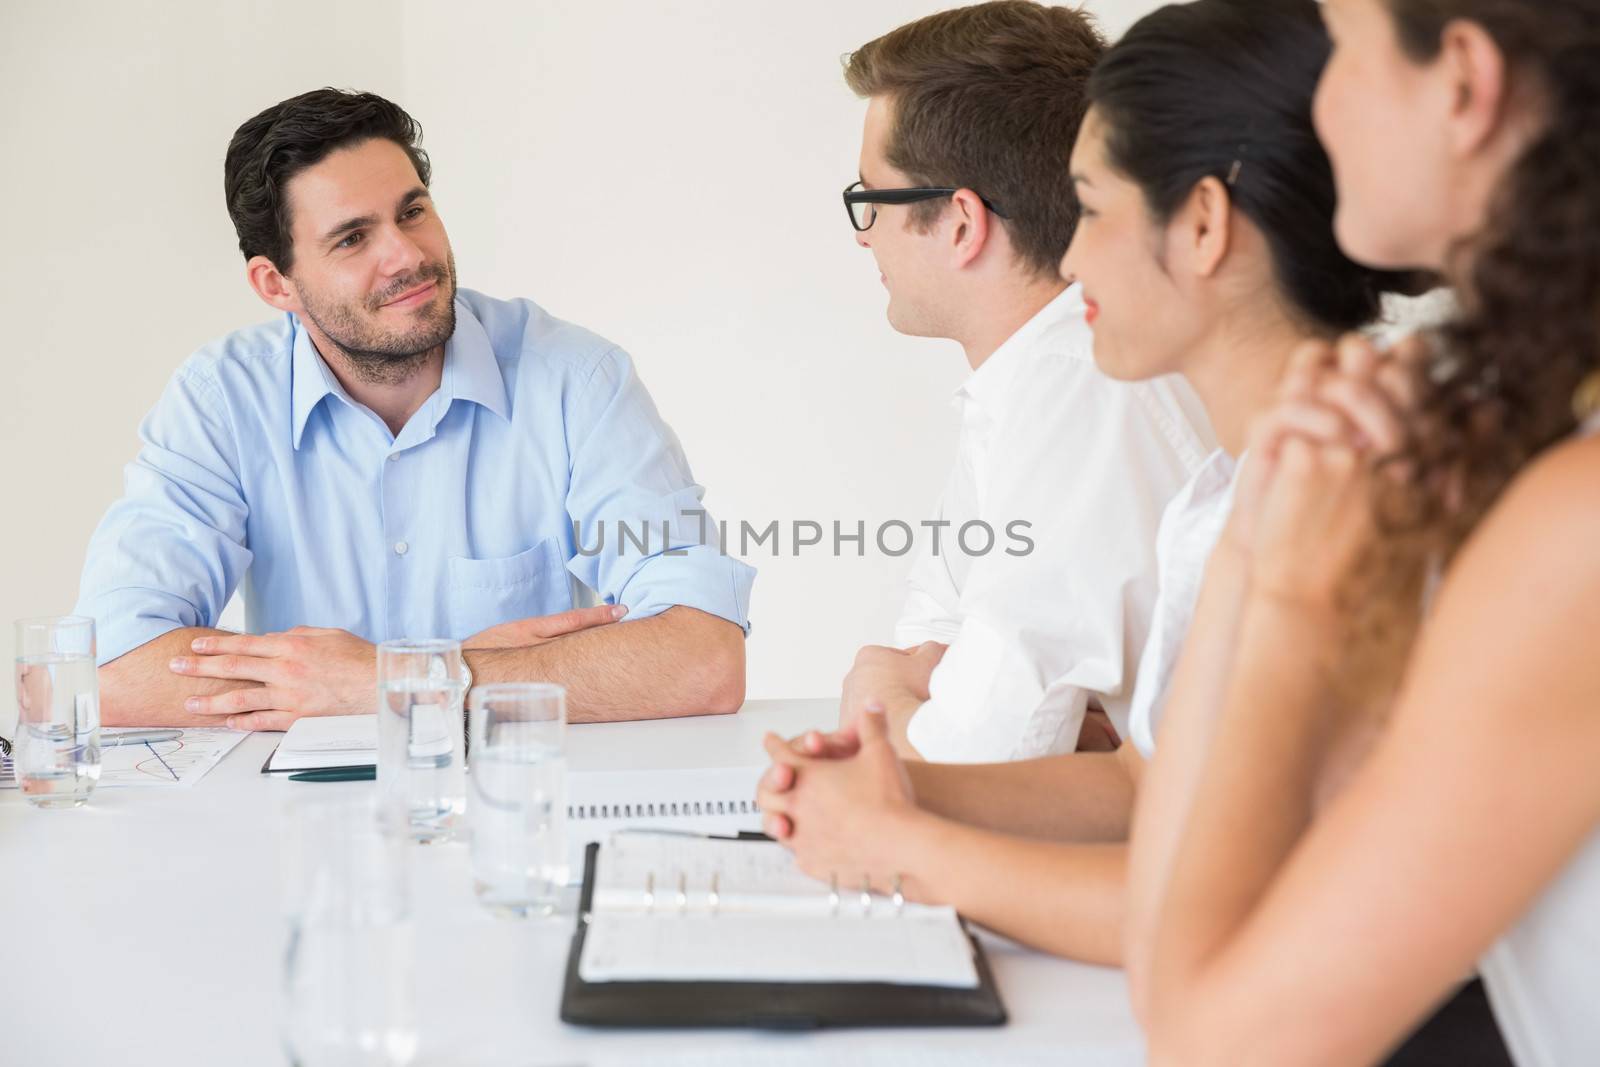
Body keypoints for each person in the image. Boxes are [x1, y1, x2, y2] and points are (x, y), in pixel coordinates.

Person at [758, 0, 1410, 964]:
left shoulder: (1333, 487)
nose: (1070, 252)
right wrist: (894, 785)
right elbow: (1146, 785)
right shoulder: (1234, 492)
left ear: (1200, 227)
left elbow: (1200, 914)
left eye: (1093, 208)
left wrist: (900, 826)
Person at [1124, 1, 1600, 1065]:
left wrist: (1290, 599)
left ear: (1463, 81)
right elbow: (1169, 971)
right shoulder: (1528, 453)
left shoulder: (1575, 528)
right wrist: (1257, 538)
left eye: (1343, 49)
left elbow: (1215, 1046)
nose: (1320, 102)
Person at [76, 89, 754, 730]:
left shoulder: (577, 378)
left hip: (515, 807)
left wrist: (396, 681)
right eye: (352, 238)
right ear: (276, 284)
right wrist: (464, 674)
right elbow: (108, 668)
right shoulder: (221, 400)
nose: (407, 255)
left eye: (412, 211)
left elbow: (703, 657)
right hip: (301, 829)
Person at [836, 0, 1213, 762]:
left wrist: (881, 697)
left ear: (962, 224)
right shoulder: (1029, 381)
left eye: (870, 199)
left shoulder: (1080, 389)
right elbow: (937, 647)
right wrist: (919, 698)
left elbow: (974, 754)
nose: (860, 231)